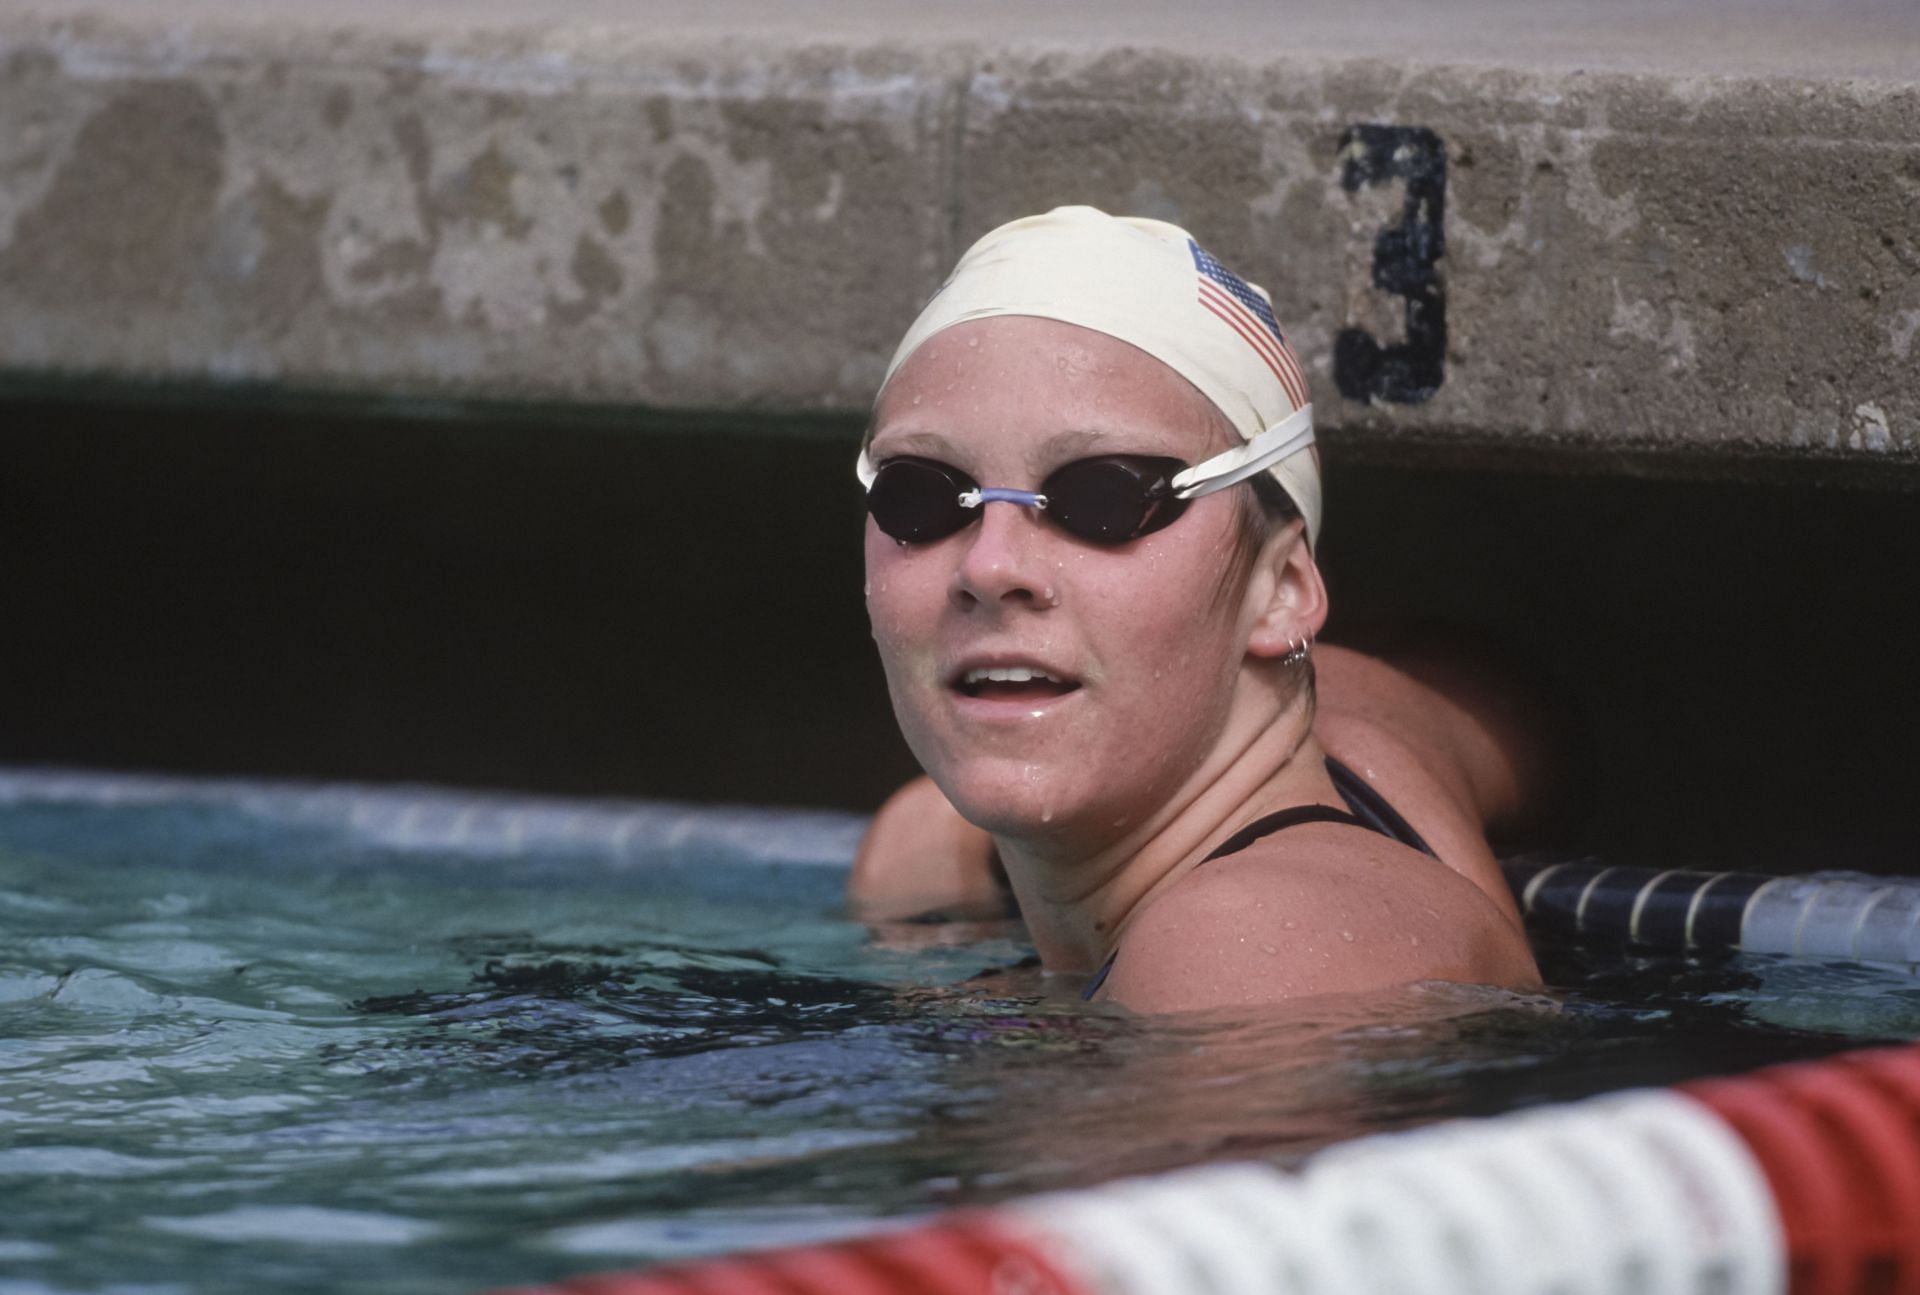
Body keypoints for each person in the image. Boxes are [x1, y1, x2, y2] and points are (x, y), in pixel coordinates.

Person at [849, 206, 1555, 1014]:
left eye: (1104, 495)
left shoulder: (1240, 953)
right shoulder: (1373, 740)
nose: (990, 564)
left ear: (1282, 587)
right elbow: (1506, 697)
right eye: (920, 495)